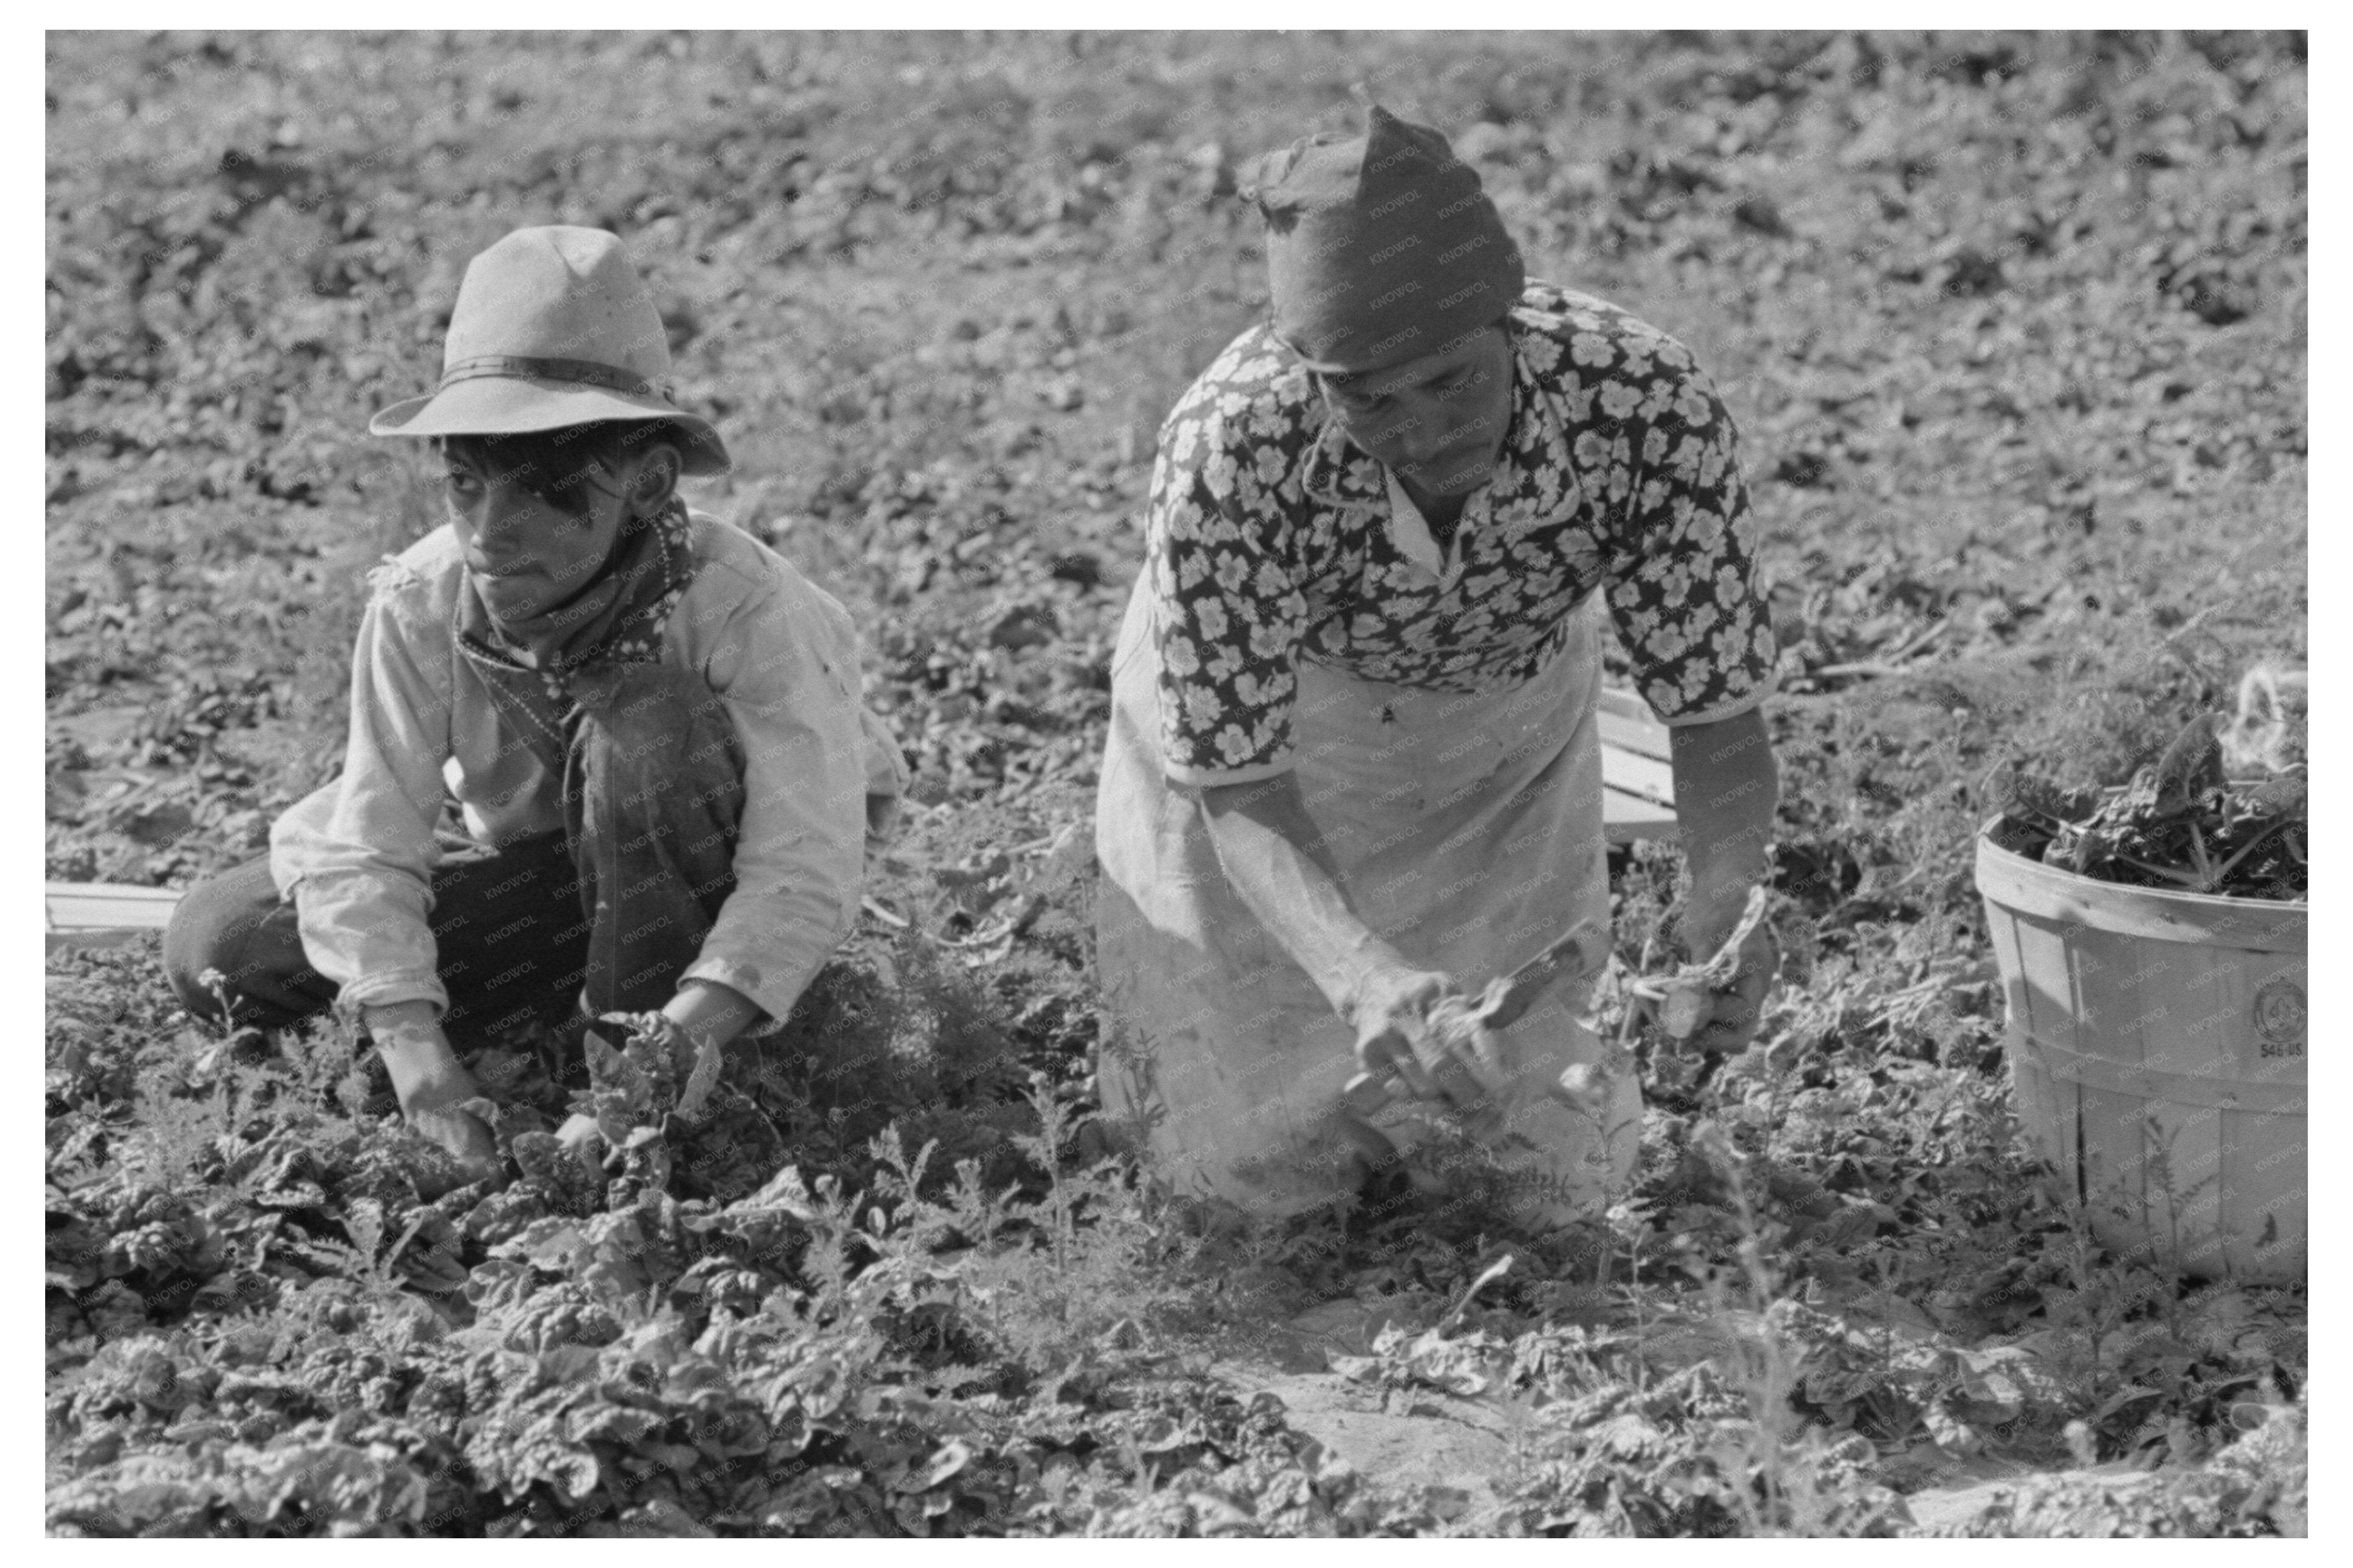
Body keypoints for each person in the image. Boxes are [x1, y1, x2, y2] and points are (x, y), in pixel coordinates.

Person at [1093, 108, 1782, 1229]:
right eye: (1367, 399)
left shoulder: (1642, 404)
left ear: (1510, 325)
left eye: (1453, 383)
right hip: (1276, 737)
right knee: (1238, 1177)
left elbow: (1713, 710)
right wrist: (1361, 973)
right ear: (1313, 378)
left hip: (1502, 729)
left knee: (1552, 1169)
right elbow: (1236, 778)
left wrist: (1725, 898)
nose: (1418, 431)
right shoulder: (1231, 447)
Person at [164, 225, 904, 1185]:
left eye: (548, 493)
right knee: (220, 941)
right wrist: (416, 1056)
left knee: (650, 725)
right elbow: (369, 834)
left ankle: (653, 1037)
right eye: (466, 486)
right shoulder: (423, 596)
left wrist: (648, 1068)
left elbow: (801, 872)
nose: (490, 533)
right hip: (555, 875)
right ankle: (552, 1004)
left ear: (646, 484)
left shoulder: (747, 610)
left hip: (716, 876)